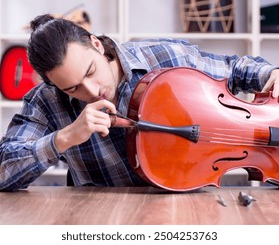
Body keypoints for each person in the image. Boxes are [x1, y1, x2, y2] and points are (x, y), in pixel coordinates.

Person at [0, 14, 279, 191]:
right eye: (73, 88)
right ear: (53, 85)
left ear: (96, 45)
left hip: (190, 212)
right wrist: (63, 138)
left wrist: (272, 74)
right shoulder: (46, 101)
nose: (93, 90)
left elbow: (239, 69)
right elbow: (4, 173)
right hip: (107, 226)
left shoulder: (165, 58)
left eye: (90, 72)